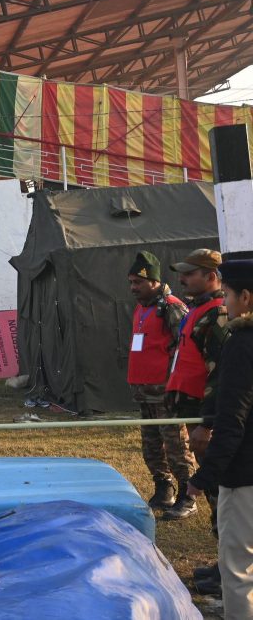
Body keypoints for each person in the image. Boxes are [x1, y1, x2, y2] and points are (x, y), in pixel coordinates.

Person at [187, 258, 253, 617]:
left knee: (238, 570)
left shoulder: (242, 344)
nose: (224, 302)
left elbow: (232, 421)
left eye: (227, 294)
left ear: (246, 297)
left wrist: (204, 477)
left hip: (245, 477)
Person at [166, 248, 230, 595]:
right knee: (215, 495)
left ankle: (231, 569)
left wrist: (209, 423)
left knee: (223, 495)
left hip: (210, 419)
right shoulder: (197, 311)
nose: (182, 279)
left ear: (211, 276)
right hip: (196, 414)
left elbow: (222, 375)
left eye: (190, 274)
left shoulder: (217, 315)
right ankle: (225, 564)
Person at [125, 251, 196, 511]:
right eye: (131, 282)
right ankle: (163, 487)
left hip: (165, 392)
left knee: (176, 444)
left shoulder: (172, 307)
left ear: (154, 281)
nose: (133, 288)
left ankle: (189, 495)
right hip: (144, 392)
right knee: (151, 446)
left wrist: (177, 385)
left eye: (138, 282)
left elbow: (187, 347)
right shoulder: (142, 308)